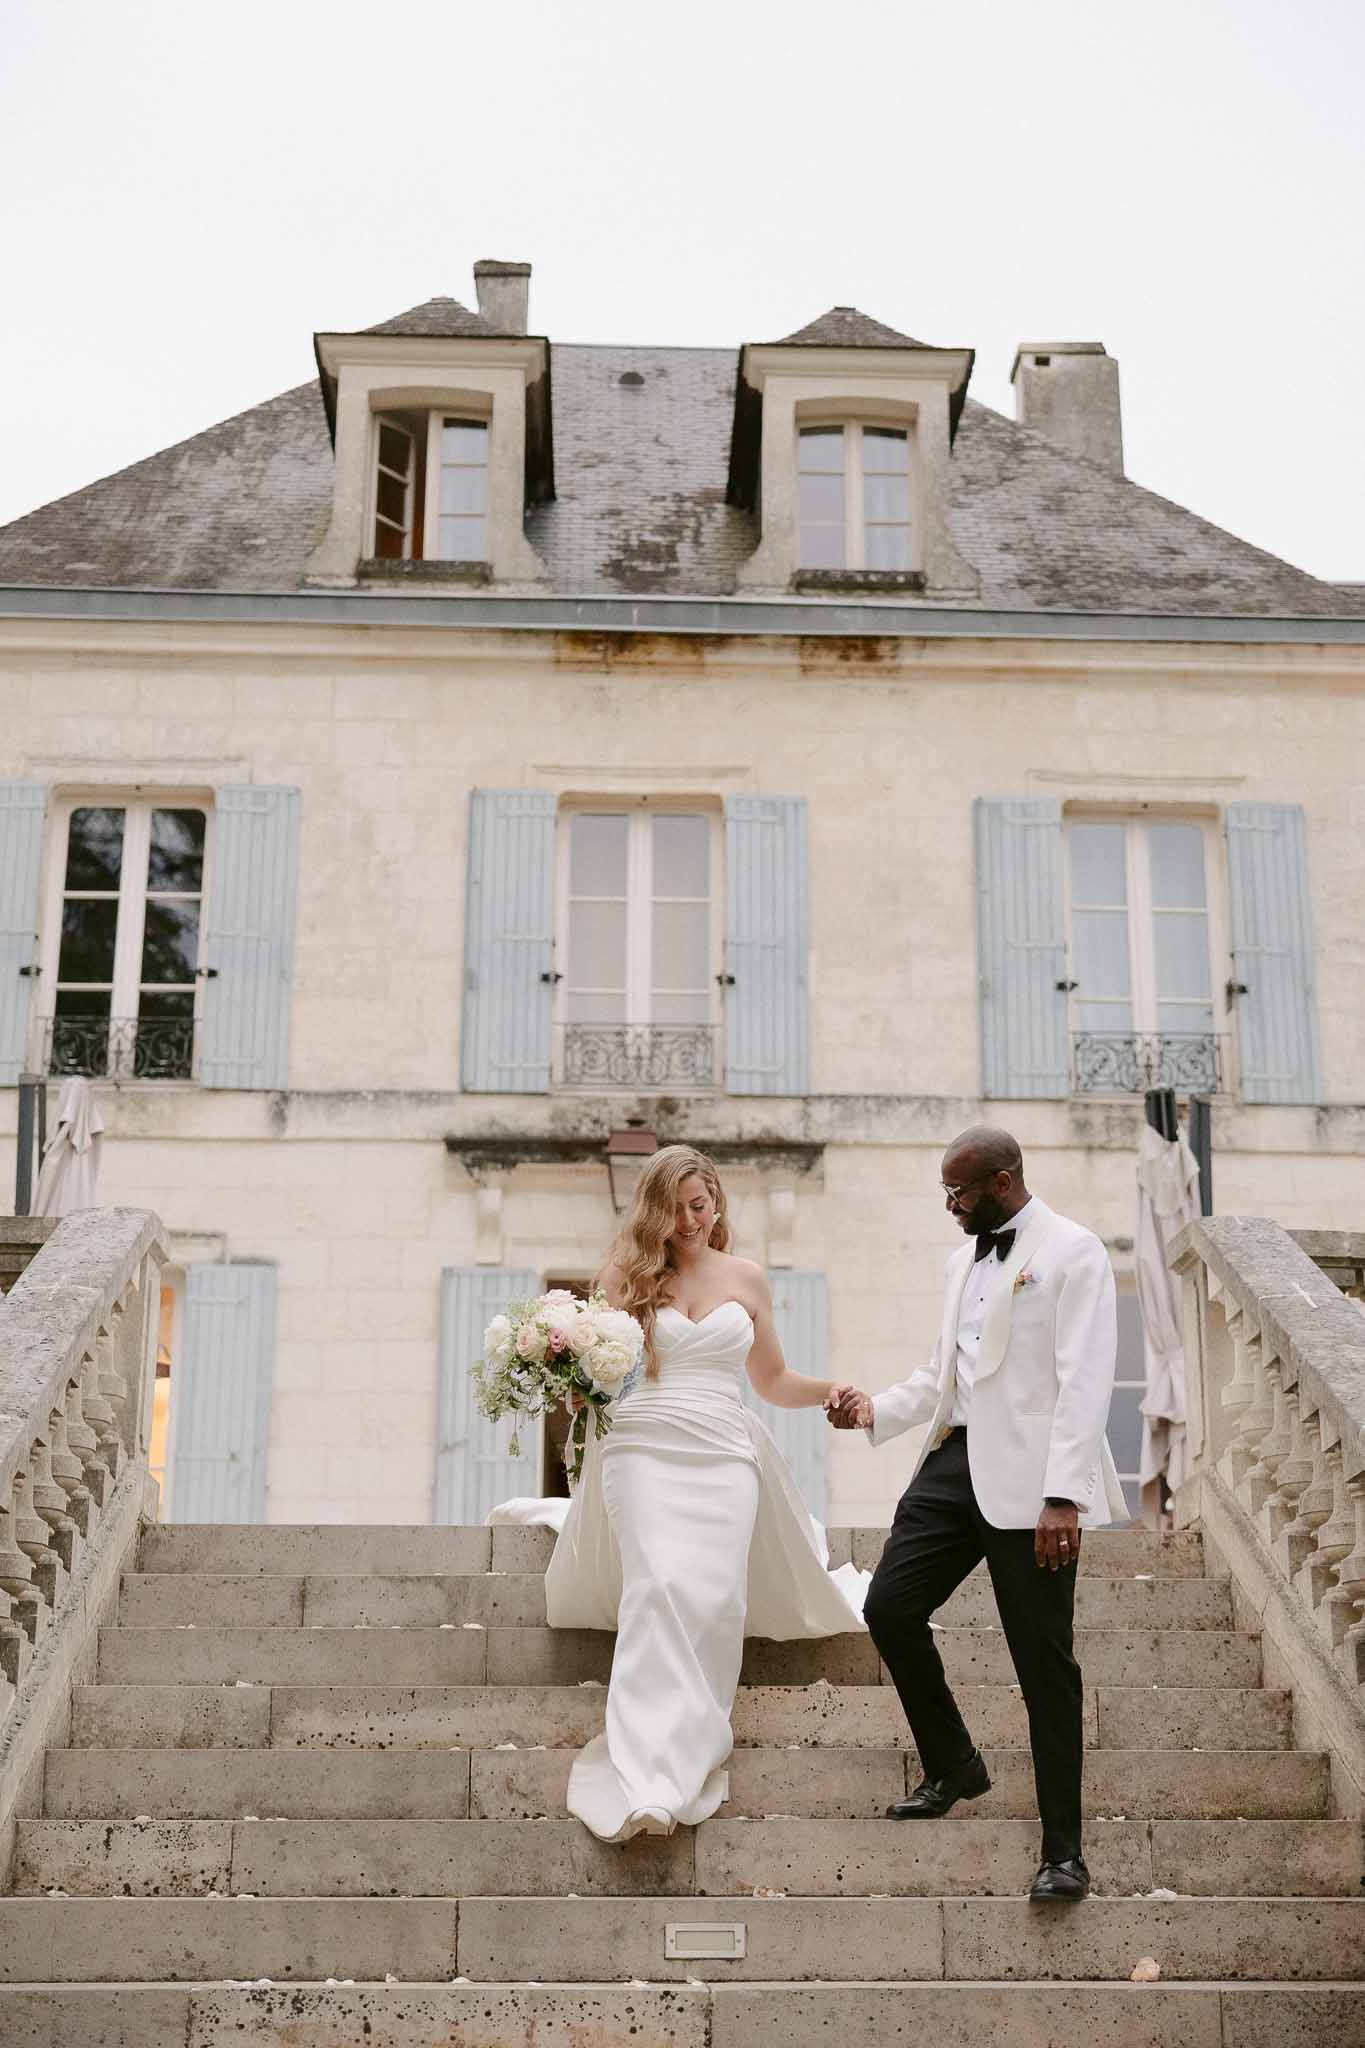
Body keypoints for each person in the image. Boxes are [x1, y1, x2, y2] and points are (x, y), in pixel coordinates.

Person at [489, 1143, 866, 1843]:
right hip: (639, 1443)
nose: (691, 1221)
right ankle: (645, 1773)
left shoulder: (746, 1278)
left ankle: (689, 1750)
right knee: (657, 1584)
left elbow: (771, 1381)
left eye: (701, 1205)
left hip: (722, 1449)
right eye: (677, 1209)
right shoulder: (623, 1275)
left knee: (717, 1597)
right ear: (654, 1211)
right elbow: (598, 1378)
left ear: (716, 1203)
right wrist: (569, 1378)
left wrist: (832, 1390)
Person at [828, 1124, 1126, 1904]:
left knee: (1042, 1664)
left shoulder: (1074, 1251)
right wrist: (872, 1410)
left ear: (1001, 1180)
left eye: (957, 1193)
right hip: (951, 1464)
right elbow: (944, 1373)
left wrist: (1064, 1495)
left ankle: (1063, 1853)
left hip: (1032, 1484)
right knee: (888, 1607)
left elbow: (1085, 1378)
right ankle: (954, 1765)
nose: (949, 1207)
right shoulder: (962, 1259)